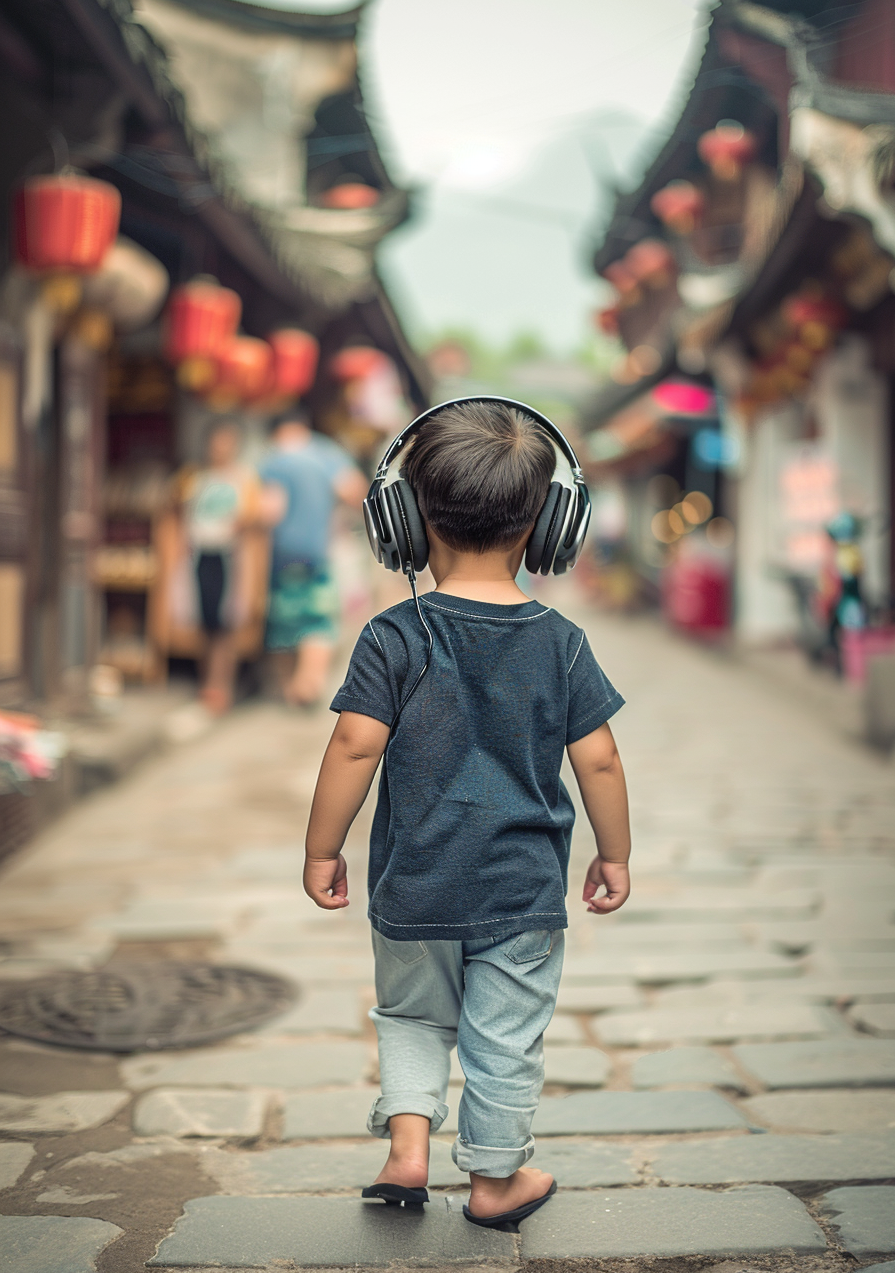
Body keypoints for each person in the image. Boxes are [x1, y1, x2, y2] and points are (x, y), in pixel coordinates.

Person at [303, 400, 630, 1230]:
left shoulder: (392, 635)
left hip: (412, 883)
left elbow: (351, 747)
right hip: (519, 891)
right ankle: (493, 1182)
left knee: (411, 1013)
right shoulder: (562, 643)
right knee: (505, 1033)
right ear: (551, 527)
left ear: (403, 523)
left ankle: (406, 1151)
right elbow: (599, 758)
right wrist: (614, 855)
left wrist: (322, 850)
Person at [259, 408, 366, 705]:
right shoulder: (326, 453)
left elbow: (271, 510)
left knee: (282, 619)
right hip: (318, 552)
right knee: (317, 619)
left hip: (281, 556)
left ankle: (286, 687)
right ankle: (309, 683)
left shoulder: (273, 461)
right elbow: (354, 491)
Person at [179, 417, 261, 714]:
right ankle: (207, 683)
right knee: (206, 621)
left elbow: (253, 516)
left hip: (229, 557)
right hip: (200, 555)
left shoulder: (243, 479)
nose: (221, 447)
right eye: (217, 440)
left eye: (227, 441)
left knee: (225, 623)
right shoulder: (195, 478)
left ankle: (220, 685)